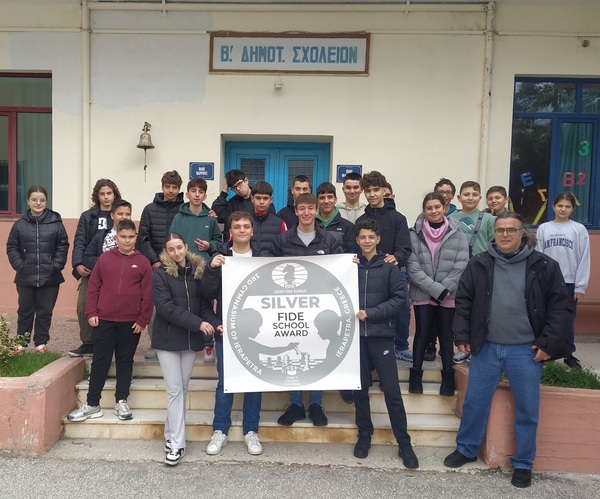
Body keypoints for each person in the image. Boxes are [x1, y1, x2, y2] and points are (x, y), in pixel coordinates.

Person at [443, 212, 571, 489]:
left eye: (511, 230)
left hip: (526, 350)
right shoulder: (479, 263)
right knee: (475, 402)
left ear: (522, 233)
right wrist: (463, 335)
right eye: (500, 230)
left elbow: (560, 308)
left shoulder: (544, 265)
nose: (504, 235)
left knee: (527, 408)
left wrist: (547, 343)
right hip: (486, 347)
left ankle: (523, 462)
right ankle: (466, 449)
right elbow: (464, 301)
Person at [67, 220, 153, 423]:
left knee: (125, 361)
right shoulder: (104, 259)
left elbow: (148, 295)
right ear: (116, 237)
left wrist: (143, 319)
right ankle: (92, 404)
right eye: (123, 237)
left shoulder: (143, 263)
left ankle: (121, 401)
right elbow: (93, 287)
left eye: (131, 237)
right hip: (103, 320)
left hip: (130, 323)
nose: (127, 240)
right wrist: (91, 312)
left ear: (136, 238)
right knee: (100, 361)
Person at [270, 193, 343, 427]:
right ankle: (295, 405)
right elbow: (268, 269)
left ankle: (315, 404)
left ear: (317, 210)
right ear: (296, 211)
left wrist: (349, 265)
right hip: (291, 309)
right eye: (302, 208)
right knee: (293, 353)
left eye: (311, 208)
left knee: (316, 352)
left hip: (320, 309)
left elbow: (339, 270)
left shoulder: (329, 240)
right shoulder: (282, 241)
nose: (306, 213)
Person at [352, 219, 419, 469]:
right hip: (356, 338)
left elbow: (399, 299)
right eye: (362, 237)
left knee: (392, 391)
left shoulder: (390, 267)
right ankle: (364, 434)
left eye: (371, 237)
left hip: (381, 337)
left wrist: (371, 313)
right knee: (360, 391)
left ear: (378, 239)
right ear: (357, 240)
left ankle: (404, 443)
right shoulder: (350, 267)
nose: (367, 241)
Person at [198, 211, 264, 456]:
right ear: (230, 232)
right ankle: (220, 430)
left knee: (254, 381)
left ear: (252, 230)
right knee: (226, 382)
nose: (242, 230)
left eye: (246, 226)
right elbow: (206, 298)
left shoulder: (263, 259)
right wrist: (216, 324)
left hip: (258, 333)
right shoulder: (221, 260)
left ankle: (251, 431)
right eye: (237, 226)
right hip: (226, 333)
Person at [152, 232, 214, 466]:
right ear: (166, 252)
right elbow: (165, 308)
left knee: (182, 389)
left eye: (179, 247)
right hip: (167, 340)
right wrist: (198, 323)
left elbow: (205, 304)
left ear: (186, 247)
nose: (176, 253)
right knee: (175, 390)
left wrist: (211, 323)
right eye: (171, 249)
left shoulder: (198, 272)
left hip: (189, 341)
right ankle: (178, 444)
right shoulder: (161, 275)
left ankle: (170, 434)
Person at [406, 193, 468, 396]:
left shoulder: (458, 234)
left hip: (449, 293)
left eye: (437, 207)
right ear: (424, 210)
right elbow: (413, 267)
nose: (433, 211)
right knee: (422, 334)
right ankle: (415, 378)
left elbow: (461, 265)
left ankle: (448, 379)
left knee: (446, 335)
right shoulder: (413, 234)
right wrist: (436, 290)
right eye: (429, 208)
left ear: (444, 208)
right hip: (423, 292)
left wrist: (443, 292)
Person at [356, 171, 412, 363]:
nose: (372, 194)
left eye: (376, 190)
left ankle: (401, 346)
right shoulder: (360, 221)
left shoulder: (398, 218)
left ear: (384, 190)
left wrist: (396, 257)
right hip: (368, 273)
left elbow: (405, 248)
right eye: (368, 191)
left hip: (393, 271)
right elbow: (357, 248)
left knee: (403, 305)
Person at [6, 186, 69, 354]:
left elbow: (63, 246)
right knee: (24, 311)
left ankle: (41, 343)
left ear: (46, 201)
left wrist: (56, 266)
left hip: (50, 277)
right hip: (25, 276)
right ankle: (21, 343)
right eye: (34, 199)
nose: (38, 203)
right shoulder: (19, 225)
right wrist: (21, 266)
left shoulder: (56, 223)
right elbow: (12, 247)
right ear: (28, 201)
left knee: (44, 311)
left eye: (42, 200)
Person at [535, 192, 590, 370]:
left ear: (572, 208)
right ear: (553, 206)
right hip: (547, 282)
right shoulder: (544, 228)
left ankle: (568, 354)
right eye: (560, 205)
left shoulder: (579, 229)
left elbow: (584, 258)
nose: (563, 209)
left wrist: (580, 285)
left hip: (569, 281)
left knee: (566, 319)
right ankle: (544, 351)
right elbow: (539, 256)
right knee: (544, 318)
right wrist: (538, 280)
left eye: (567, 206)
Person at [169, 177, 221, 363]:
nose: (197, 195)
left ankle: (208, 346)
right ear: (187, 194)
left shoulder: (210, 219)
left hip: (203, 270)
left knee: (205, 306)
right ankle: (183, 342)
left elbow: (218, 242)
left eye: (201, 192)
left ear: (205, 195)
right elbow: (171, 241)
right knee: (183, 306)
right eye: (194, 191)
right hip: (182, 269)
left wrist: (209, 245)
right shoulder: (178, 217)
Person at [69, 179, 121, 357]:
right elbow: (80, 241)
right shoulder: (87, 217)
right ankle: (88, 343)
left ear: (114, 194)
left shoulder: (120, 214)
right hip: (91, 269)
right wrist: (78, 264)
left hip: (115, 271)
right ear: (97, 196)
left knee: (113, 307)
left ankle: (112, 344)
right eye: (102, 194)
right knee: (83, 305)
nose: (106, 197)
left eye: (109, 193)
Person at [138, 170, 185, 360]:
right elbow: (143, 237)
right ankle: (155, 344)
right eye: (168, 187)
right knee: (155, 308)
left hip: (179, 264)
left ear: (179, 189)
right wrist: (154, 260)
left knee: (179, 305)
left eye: (174, 187)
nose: (171, 191)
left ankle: (179, 342)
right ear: (162, 187)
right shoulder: (149, 209)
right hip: (156, 266)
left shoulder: (184, 209)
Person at [449, 181, 495, 364]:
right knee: (458, 309)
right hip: (456, 270)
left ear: (480, 197)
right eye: (466, 194)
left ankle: (477, 346)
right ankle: (460, 346)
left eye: (474, 194)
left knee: (478, 308)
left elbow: (493, 244)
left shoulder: (489, 219)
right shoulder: (450, 218)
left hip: (480, 269)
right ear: (459, 197)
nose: (470, 198)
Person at [212, 169, 275, 238]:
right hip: (233, 242)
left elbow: (272, 225)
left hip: (255, 241)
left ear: (246, 180)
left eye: (239, 184)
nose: (238, 189)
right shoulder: (232, 203)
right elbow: (218, 215)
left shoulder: (261, 201)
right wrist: (224, 192)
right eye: (234, 187)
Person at [316, 181, 358, 254]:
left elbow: (350, 254)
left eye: (330, 197)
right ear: (317, 201)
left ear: (335, 200)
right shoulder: (311, 225)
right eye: (322, 198)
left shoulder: (348, 227)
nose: (326, 201)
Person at [249, 180, 287, 255]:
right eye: (258, 198)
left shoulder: (280, 224)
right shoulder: (243, 222)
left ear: (271, 200)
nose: (261, 202)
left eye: (265, 198)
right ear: (252, 199)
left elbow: (286, 248)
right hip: (247, 262)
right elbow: (231, 245)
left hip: (272, 262)